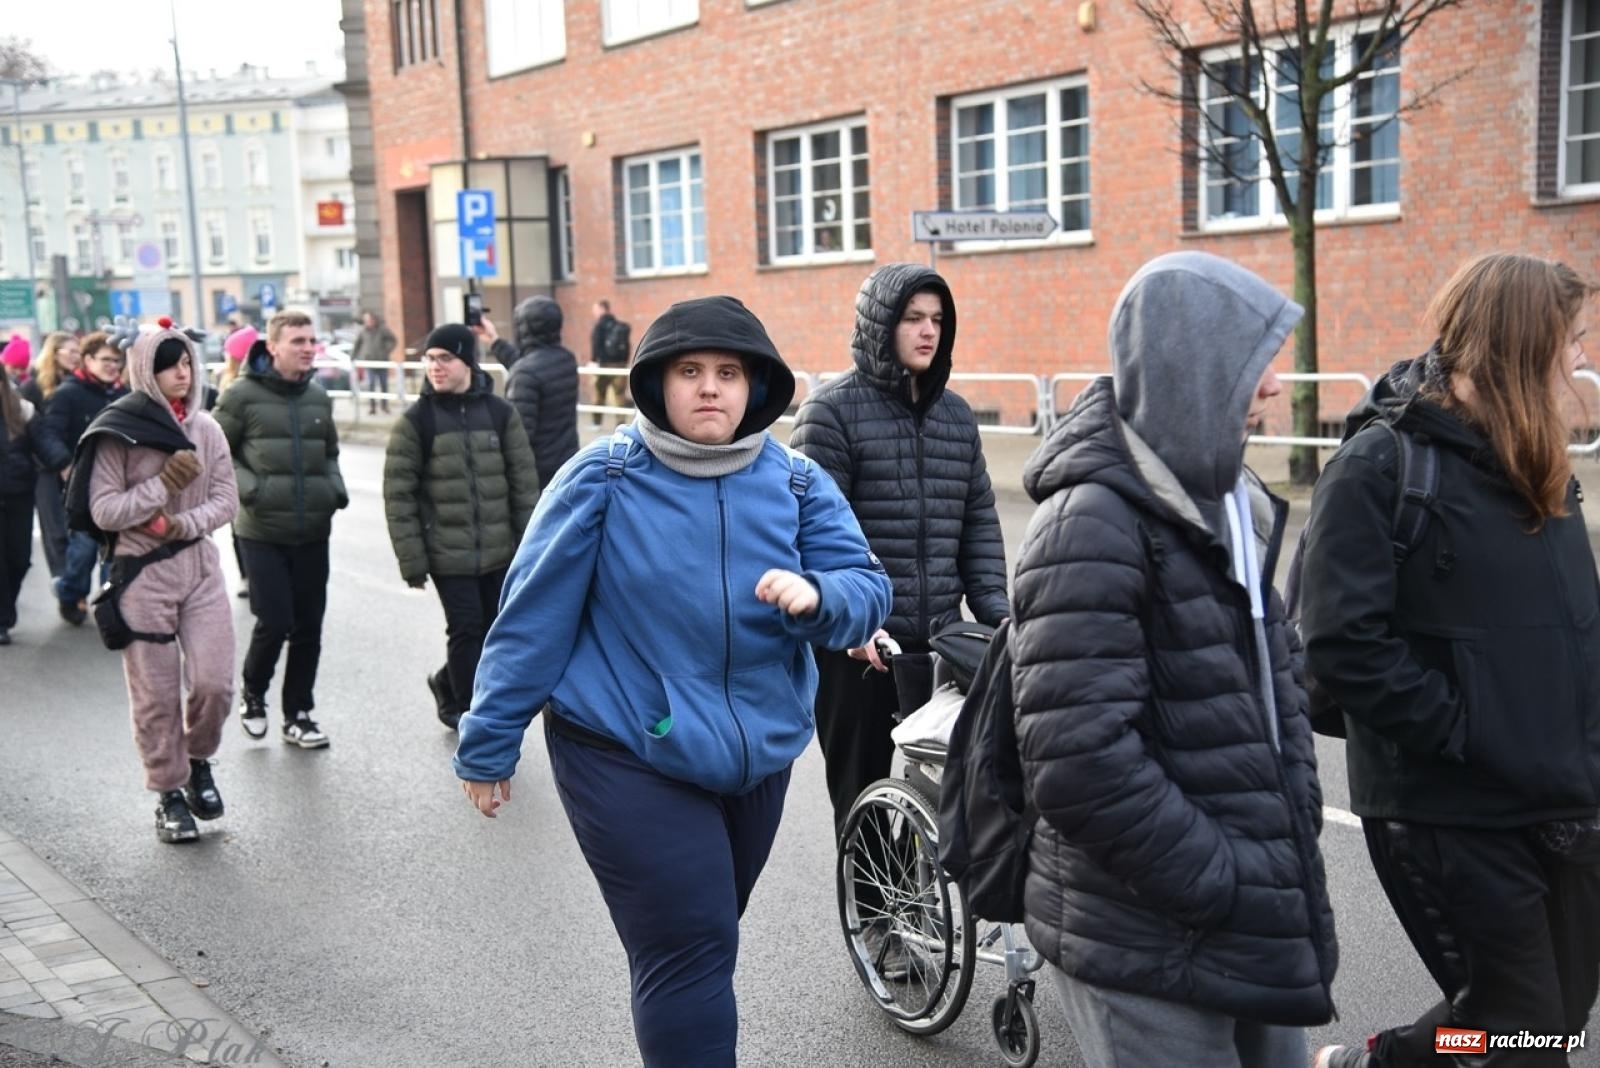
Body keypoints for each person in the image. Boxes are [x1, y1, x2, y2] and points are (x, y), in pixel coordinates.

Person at [455, 295, 892, 1068]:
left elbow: (864, 586)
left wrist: (819, 599)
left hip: (756, 754)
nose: (711, 387)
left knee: (708, 937)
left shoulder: (796, 481)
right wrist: (488, 743)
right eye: (690, 371)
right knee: (690, 944)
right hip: (625, 748)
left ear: (757, 386)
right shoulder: (604, 478)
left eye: (729, 372)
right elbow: (531, 618)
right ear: (657, 384)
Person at [1010, 251, 1337, 1066]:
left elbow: (1274, 699)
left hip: (1244, 913)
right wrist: (1219, 878)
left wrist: (1284, 842)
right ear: (1194, 367)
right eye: (1256, 364)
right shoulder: (1089, 523)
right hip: (1146, 933)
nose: (1273, 388)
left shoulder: (1236, 505)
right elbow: (1079, 762)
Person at [1301, 253, 1599, 1068]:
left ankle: (1389, 1060)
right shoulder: (1379, 466)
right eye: (1569, 340)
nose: (1580, 358)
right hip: (1451, 807)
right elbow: (1338, 642)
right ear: (1520, 345)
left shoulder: (1538, 463)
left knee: (1544, 1023)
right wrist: (1467, 730)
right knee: (1527, 1040)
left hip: (1559, 797)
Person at [790, 262, 1009, 844]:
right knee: (862, 790)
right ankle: (875, 922)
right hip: (856, 646)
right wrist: (849, 623)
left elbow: (979, 526)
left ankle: (922, 918)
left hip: (938, 642)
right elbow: (809, 532)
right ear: (880, 324)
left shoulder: (957, 417)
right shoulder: (829, 412)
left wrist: (999, 619)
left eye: (937, 319)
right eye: (913, 318)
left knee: (943, 789)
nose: (927, 331)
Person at [81, 322, 238, 843]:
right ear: (146, 370)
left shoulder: (208, 429)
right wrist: (161, 486)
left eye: (188, 362)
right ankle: (168, 792)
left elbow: (225, 500)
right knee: (156, 696)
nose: (182, 373)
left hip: (199, 569)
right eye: (170, 363)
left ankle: (197, 761)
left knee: (215, 684)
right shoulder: (117, 430)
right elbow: (103, 509)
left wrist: (183, 523)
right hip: (142, 575)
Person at [383, 322, 539, 730]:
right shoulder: (416, 421)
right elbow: (399, 496)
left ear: (467, 361)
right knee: (467, 629)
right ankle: (476, 716)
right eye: (430, 359)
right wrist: (413, 561)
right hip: (447, 554)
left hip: (499, 549)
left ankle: (447, 682)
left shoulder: (501, 414)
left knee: (494, 631)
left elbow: (523, 486)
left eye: (445, 358)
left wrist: (530, 547)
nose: (435, 367)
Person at [214, 309, 348, 749]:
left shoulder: (317, 396)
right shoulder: (241, 395)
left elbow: (329, 451)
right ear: (272, 347)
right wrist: (253, 489)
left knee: (309, 624)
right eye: (298, 341)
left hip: (313, 528)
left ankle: (299, 714)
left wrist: (334, 487)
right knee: (275, 619)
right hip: (261, 529)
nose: (309, 348)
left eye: (312, 341)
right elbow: (216, 453)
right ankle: (253, 693)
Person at [40, 331, 127, 625]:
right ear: (88, 360)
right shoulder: (68, 393)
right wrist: (65, 464)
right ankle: (68, 593)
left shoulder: (123, 395)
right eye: (105, 359)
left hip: (117, 486)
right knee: (84, 551)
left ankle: (108, 604)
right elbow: (49, 433)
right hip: (82, 487)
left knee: (114, 551)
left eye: (117, 360)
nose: (112, 365)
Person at [0, 361, 70, 645]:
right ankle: (2, 620)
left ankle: (4, 609)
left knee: (19, 559)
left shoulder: (21, 409)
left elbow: (46, 441)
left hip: (18, 493)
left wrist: (65, 464)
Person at [493, 296, 579, 490]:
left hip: (537, 475)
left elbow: (519, 436)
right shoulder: (566, 359)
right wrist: (495, 342)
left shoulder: (525, 373)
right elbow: (533, 369)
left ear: (523, 329)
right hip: (566, 463)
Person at [20, 332, 82, 578]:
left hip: (75, 462)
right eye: (71, 351)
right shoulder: (33, 387)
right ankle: (64, 583)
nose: (76, 357)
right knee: (55, 529)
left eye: (78, 352)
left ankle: (76, 582)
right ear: (54, 353)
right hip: (43, 467)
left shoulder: (80, 384)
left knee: (79, 528)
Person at [218, 326, 256, 598]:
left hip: (248, 465)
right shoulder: (227, 384)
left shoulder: (236, 385)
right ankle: (246, 575)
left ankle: (249, 576)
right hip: (238, 468)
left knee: (244, 527)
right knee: (239, 525)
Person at [590, 299, 630, 424]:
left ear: (602, 309)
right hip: (620, 365)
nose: (594, 312)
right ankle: (621, 422)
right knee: (619, 395)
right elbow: (627, 346)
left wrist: (593, 360)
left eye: (595, 309)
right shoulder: (619, 325)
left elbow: (595, 345)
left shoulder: (599, 326)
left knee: (599, 393)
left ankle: (596, 422)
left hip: (604, 365)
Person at [351, 310, 397, 415]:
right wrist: (353, 357)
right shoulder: (362, 332)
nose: (368, 322)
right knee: (371, 385)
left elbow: (393, 340)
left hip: (382, 361)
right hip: (369, 363)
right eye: (366, 320)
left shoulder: (383, 330)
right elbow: (357, 345)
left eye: (370, 320)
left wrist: (386, 350)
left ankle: (384, 406)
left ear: (374, 320)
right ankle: (372, 407)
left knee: (384, 384)